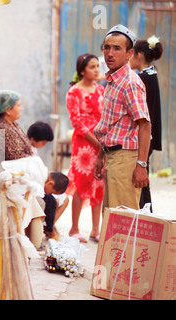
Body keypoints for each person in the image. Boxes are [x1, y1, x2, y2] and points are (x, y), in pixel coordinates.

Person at [93, 24, 151, 211]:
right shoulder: (113, 80)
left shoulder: (130, 83)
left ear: (129, 54)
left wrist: (141, 165)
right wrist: (101, 156)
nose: (110, 53)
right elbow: (112, 125)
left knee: (122, 222)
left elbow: (145, 125)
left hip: (126, 159)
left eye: (117, 48)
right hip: (112, 156)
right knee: (111, 219)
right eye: (107, 47)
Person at [65, 53, 105, 243]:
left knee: (99, 184)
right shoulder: (74, 92)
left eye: (98, 66)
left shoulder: (101, 90)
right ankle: (74, 228)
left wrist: (103, 141)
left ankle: (95, 230)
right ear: (82, 71)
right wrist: (98, 142)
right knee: (82, 184)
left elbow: (106, 118)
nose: (97, 70)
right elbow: (77, 122)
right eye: (92, 67)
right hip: (83, 145)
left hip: (101, 142)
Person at [129, 35, 163, 212]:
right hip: (148, 135)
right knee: (144, 181)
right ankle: (147, 215)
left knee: (139, 181)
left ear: (139, 56)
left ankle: (143, 217)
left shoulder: (142, 78)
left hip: (143, 136)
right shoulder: (151, 74)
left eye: (131, 54)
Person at [0, 90, 34, 162]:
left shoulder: (12, 124)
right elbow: (16, 157)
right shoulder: (3, 128)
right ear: (8, 110)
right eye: (18, 106)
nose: (21, 109)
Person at [41, 172, 69, 240]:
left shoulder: (48, 181)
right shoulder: (40, 177)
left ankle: (50, 226)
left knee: (65, 199)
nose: (50, 193)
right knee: (51, 201)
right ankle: (49, 229)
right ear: (51, 183)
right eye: (51, 192)